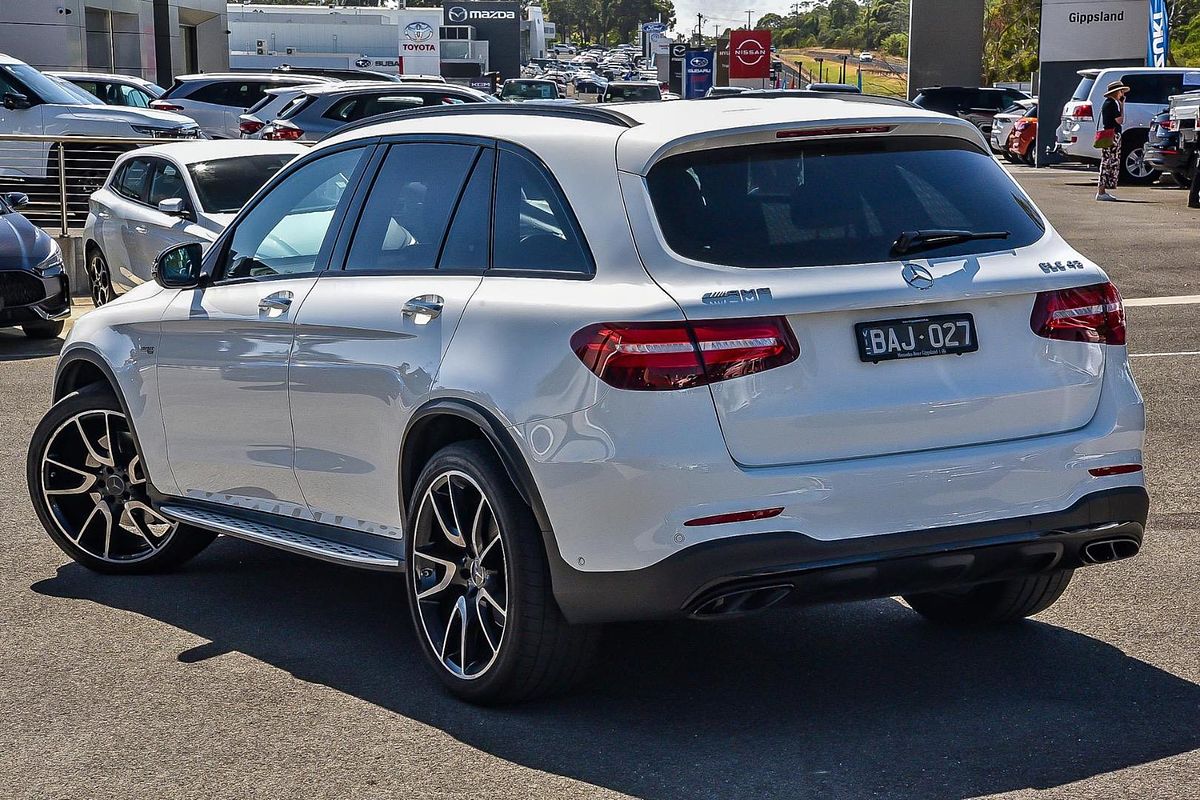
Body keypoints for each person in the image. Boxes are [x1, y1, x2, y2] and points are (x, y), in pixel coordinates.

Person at [1096, 80, 1129, 201]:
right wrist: (1121, 106)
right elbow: (1120, 120)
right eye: (1121, 91)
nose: (1122, 94)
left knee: (1108, 161)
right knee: (1107, 161)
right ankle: (1101, 190)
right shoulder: (1111, 104)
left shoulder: (1108, 103)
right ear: (1116, 92)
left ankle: (1102, 189)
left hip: (1109, 134)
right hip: (1112, 134)